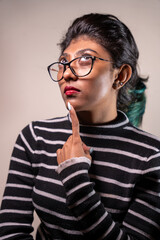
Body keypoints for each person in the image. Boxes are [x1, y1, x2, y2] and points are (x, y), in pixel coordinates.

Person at [0, 13, 160, 240]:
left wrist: (76, 177)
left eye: (85, 59)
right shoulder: (35, 138)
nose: (66, 73)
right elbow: (10, 234)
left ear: (120, 75)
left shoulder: (152, 155)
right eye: (63, 62)